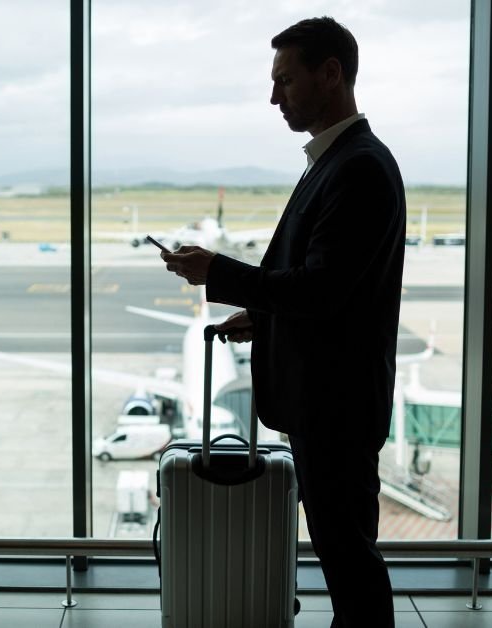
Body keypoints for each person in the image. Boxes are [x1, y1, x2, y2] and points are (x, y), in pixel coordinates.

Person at [159, 16, 404, 627]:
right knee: (344, 553)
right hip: (330, 402)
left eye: (286, 81)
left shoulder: (357, 168)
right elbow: (332, 294)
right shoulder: (338, 159)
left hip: (336, 406)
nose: (275, 97)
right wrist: (264, 318)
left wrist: (217, 271)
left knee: (349, 556)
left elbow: (320, 292)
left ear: (331, 74)